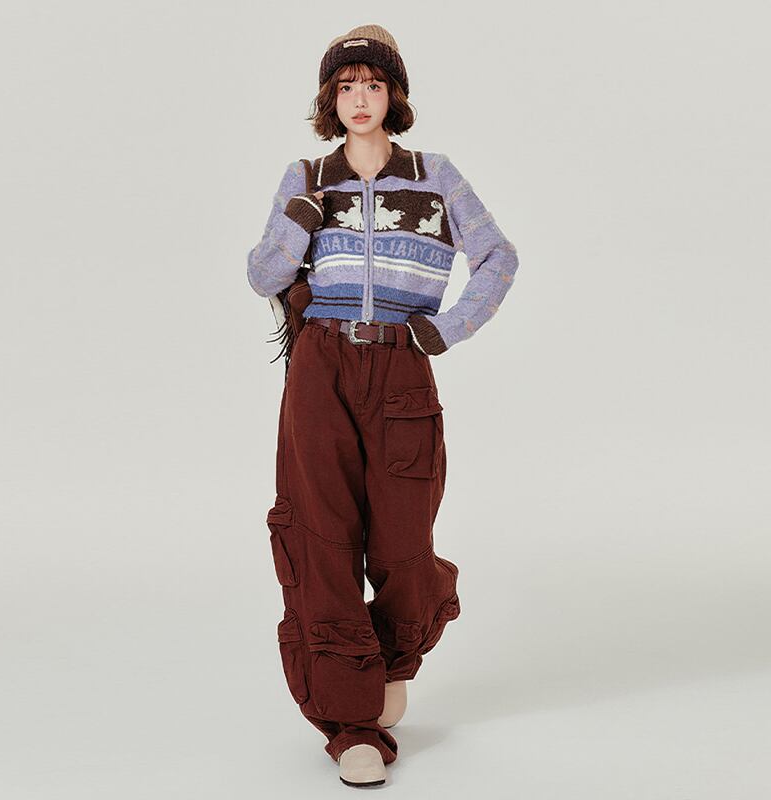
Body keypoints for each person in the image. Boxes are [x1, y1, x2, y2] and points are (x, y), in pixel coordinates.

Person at [247, 23, 519, 788]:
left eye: (372, 84)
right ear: (329, 100)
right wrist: (300, 220)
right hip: (320, 366)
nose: (359, 98)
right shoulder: (307, 176)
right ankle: (352, 724)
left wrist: (445, 329)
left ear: (393, 95)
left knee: (404, 545)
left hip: (402, 364)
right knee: (321, 537)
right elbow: (263, 275)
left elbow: (498, 257)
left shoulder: (436, 176)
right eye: (345, 86)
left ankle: (391, 661)